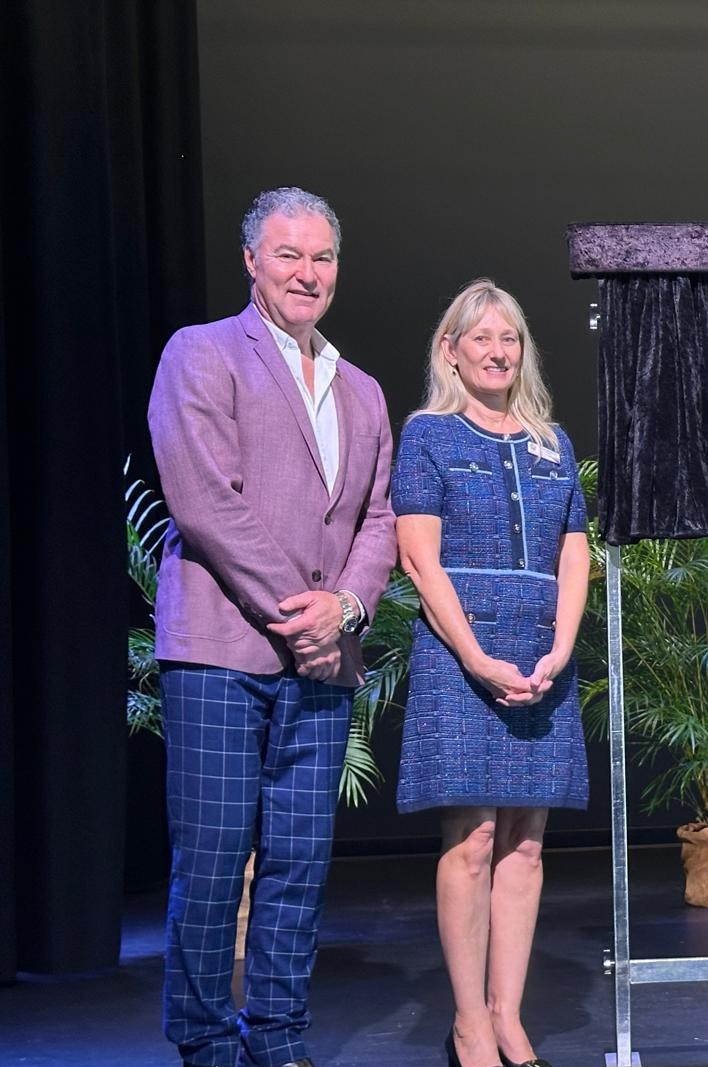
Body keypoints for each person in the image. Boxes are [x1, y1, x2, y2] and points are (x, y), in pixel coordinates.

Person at [148, 186, 396, 1067]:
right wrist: (303, 615)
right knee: (214, 864)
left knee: (299, 865)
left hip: (325, 662)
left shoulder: (362, 390)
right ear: (251, 260)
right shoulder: (202, 353)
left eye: (322, 257)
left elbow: (378, 519)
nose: (307, 272)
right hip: (222, 650)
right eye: (289, 254)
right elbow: (204, 500)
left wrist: (348, 608)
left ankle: (281, 1038)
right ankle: (209, 1043)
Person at [393, 279, 589, 1067]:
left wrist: (562, 647)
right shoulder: (429, 436)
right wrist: (474, 654)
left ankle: (510, 1016)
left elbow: (574, 551)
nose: (498, 351)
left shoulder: (552, 442)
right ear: (451, 349)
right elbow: (418, 556)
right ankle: (470, 1021)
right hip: (459, 651)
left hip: (542, 652)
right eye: (481, 338)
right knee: (472, 838)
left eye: (509, 338)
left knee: (527, 844)